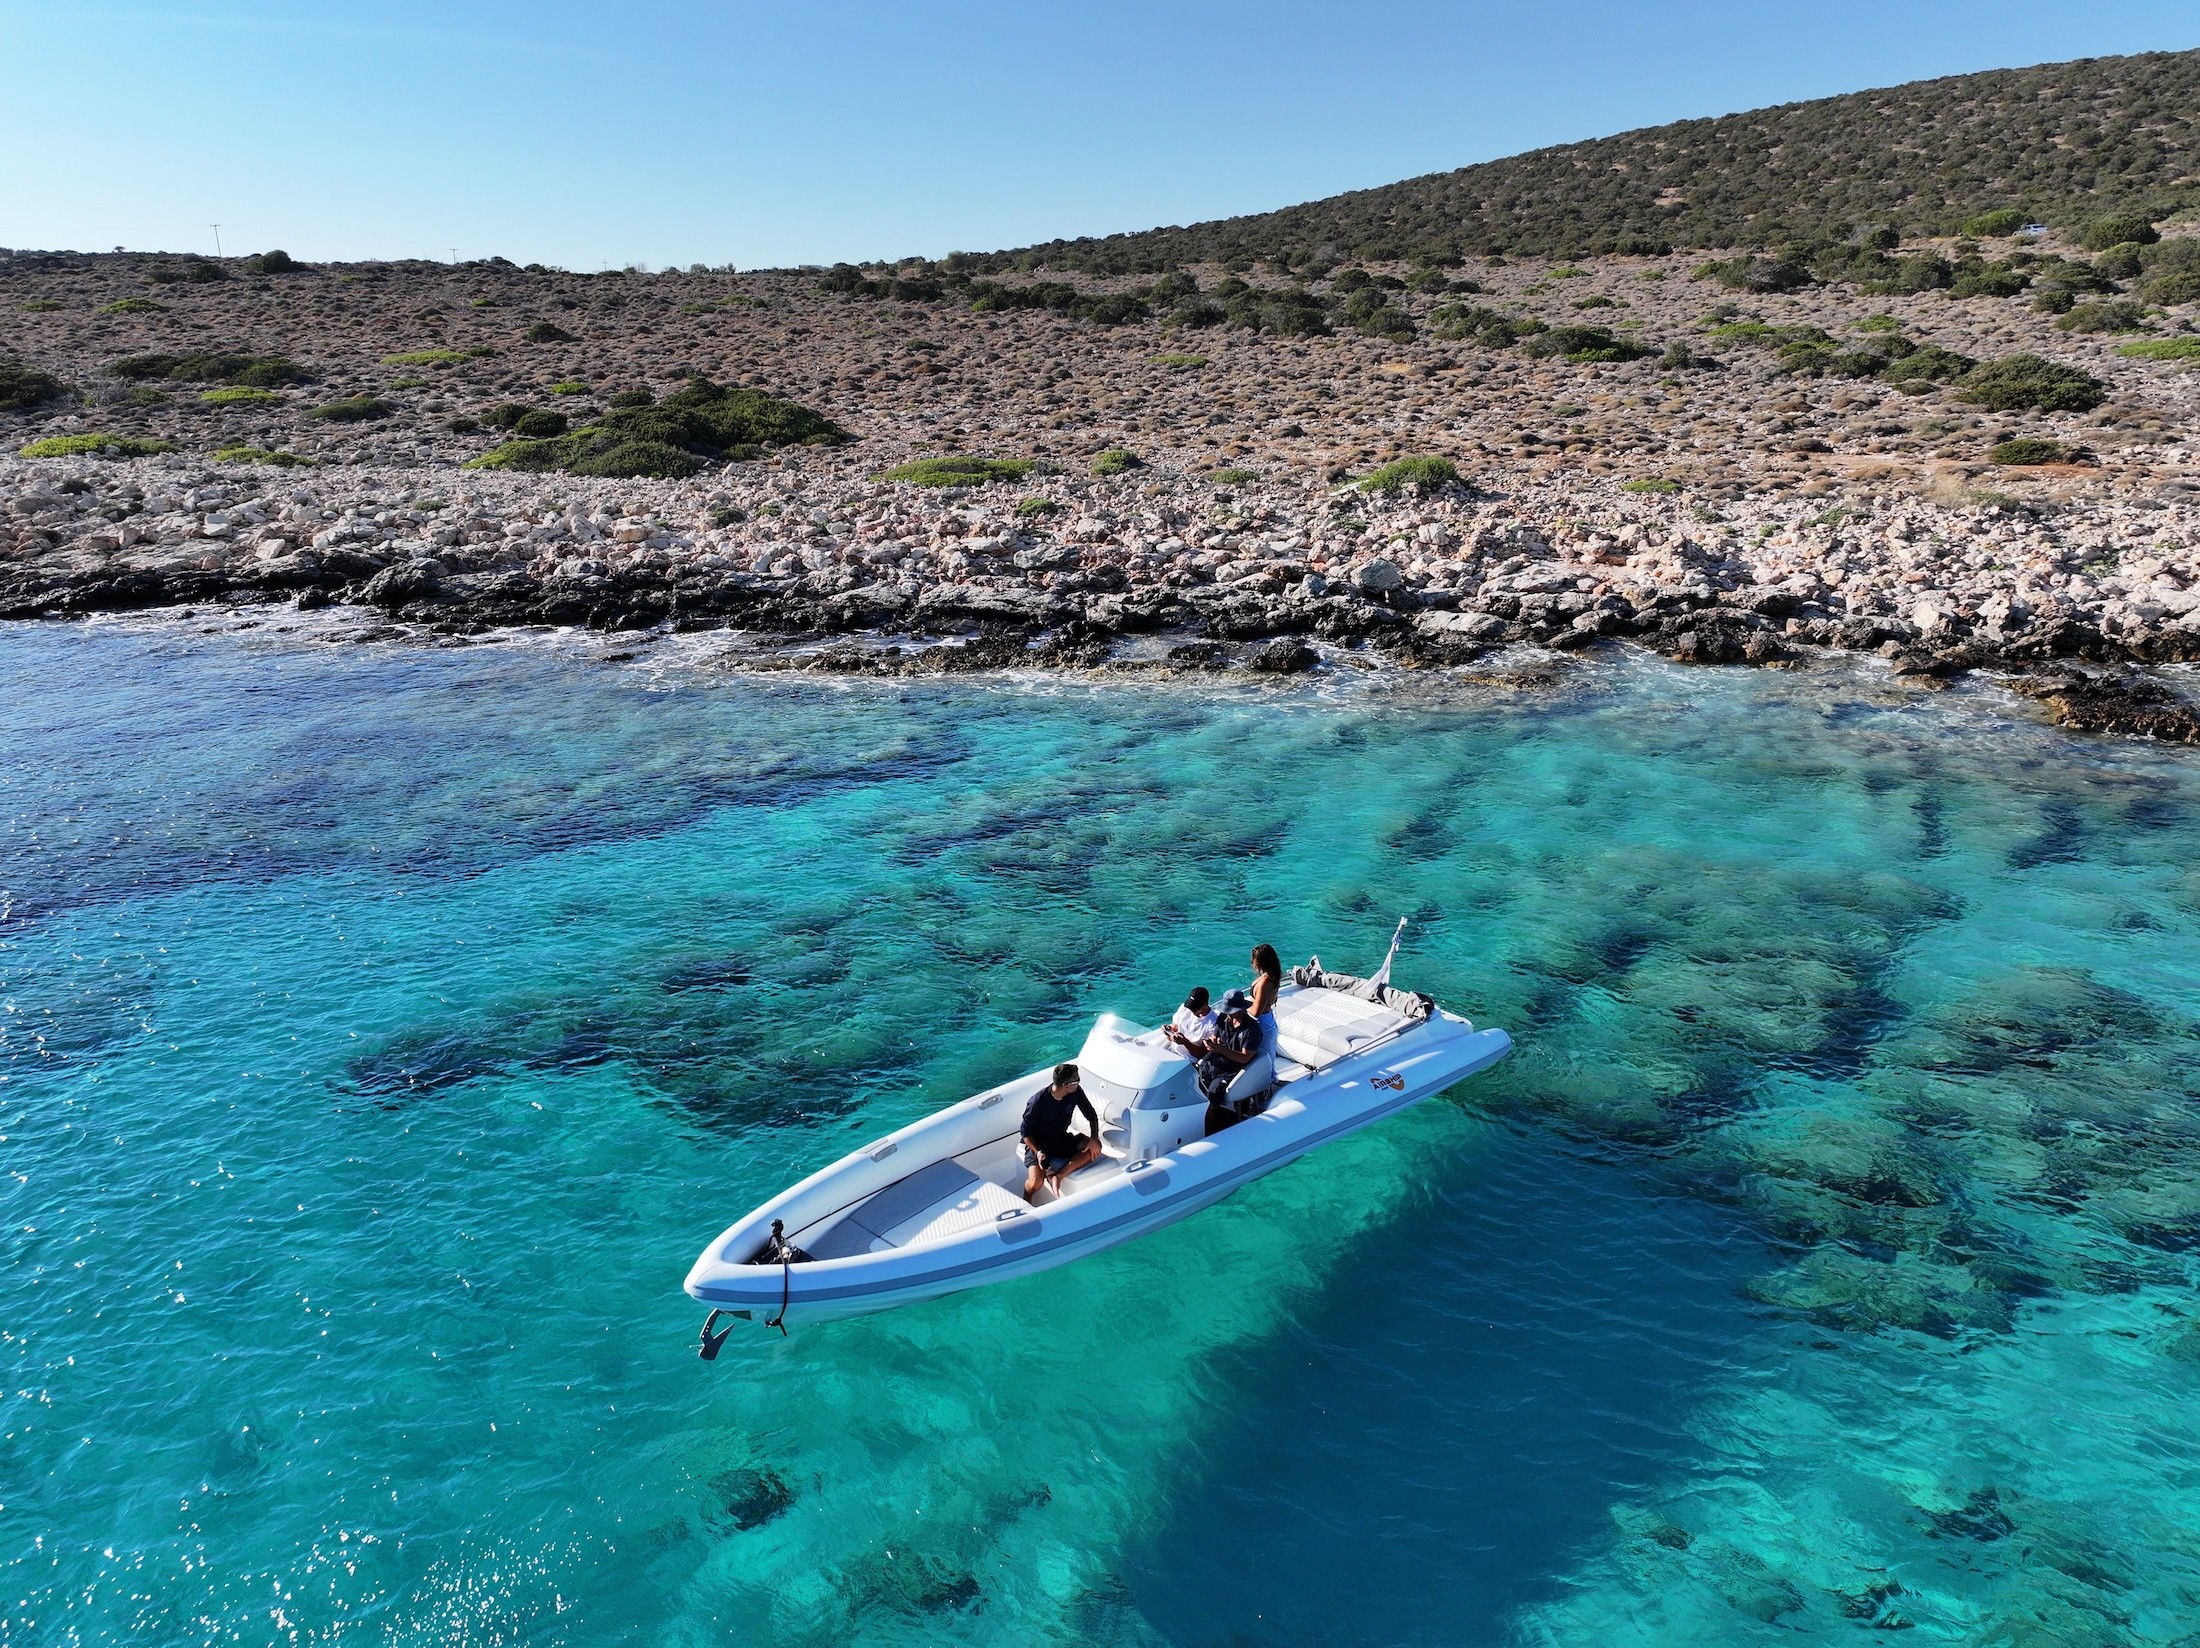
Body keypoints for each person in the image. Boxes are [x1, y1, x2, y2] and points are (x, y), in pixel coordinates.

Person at [1021, 1062, 1101, 1203]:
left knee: (1095, 1147)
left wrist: (1094, 1137)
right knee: (1035, 1183)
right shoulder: (1037, 1101)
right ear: (1066, 1085)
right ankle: (1026, 1197)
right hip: (1039, 1144)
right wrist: (1038, 1151)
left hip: (1060, 1138)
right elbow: (1026, 1133)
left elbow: (1091, 1115)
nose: (1079, 1083)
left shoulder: (1075, 1092)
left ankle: (1058, 1176)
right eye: (1077, 1080)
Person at [1198, 989, 1270, 1132]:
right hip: (1216, 1061)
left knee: (1214, 1091)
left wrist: (1222, 1050)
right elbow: (1215, 1036)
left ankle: (1207, 1128)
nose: (1228, 1015)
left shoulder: (1252, 1029)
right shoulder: (1222, 1019)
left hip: (1234, 1069)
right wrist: (1212, 1043)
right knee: (1196, 1079)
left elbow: (1245, 1058)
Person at [1249, 943, 1283, 1055]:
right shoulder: (1271, 976)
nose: (1252, 963)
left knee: (1265, 1060)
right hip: (1267, 1020)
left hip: (1263, 1023)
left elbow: (1256, 1012)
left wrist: (1242, 1009)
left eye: (1254, 960)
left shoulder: (1265, 982)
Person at [1164, 986, 1217, 1058]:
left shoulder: (1213, 1023)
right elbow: (1174, 1028)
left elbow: (1203, 1054)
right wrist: (1168, 1032)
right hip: (1171, 1050)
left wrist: (1185, 1042)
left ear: (1205, 1005)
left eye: (1195, 1008)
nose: (1191, 1010)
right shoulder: (1185, 1008)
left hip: (1188, 1059)